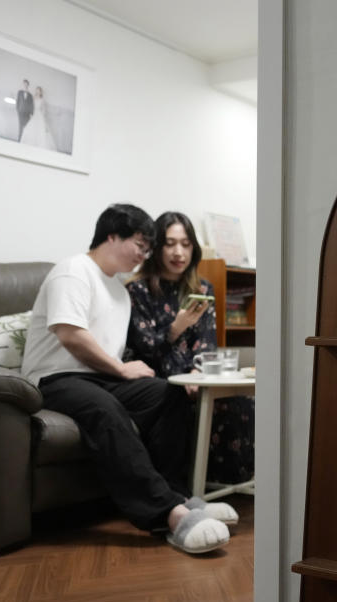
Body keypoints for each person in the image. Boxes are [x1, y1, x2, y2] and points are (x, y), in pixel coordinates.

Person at [21, 204, 237, 555]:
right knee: (105, 409)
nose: (145, 253)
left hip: (98, 377)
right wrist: (122, 370)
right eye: (141, 244)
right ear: (111, 236)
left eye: (148, 247)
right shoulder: (73, 270)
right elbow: (71, 335)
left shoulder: (120, 291)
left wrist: (128, 371)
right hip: (54, 377)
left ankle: (176, 492)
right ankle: (168, 514)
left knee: (169, 393)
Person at [125, 211, 255, 485]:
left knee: (242, 400)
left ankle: (232, 484)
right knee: (179, 401)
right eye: (170, 243)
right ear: (156, 247)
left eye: (185, 244)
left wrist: (198, 374)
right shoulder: (138, 290)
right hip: (155, 379)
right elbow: (145, 348)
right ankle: (194, 487)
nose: (178, 252)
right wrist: (176, 328)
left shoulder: (202, 289)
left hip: (195, 378)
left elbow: (207, 343)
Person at [19, 86, 57, 151]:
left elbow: (44, 110)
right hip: (33, 114)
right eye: (36, 90)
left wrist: (42, 117)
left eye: (39, 90)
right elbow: (30, 106)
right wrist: (31, 113)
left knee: (40, 129)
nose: (37, 91)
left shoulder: (42, 100)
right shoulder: (33, 98)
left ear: (40, 92)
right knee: (30, 128)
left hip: (39, 115)